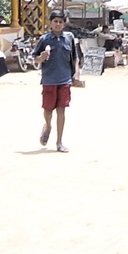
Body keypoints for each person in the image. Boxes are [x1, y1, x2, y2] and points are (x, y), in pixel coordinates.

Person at [33, 11, 80, 152]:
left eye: (60, 22)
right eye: (55, 21)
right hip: (49, 80)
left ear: (64, 23)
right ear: (50, 23)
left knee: (61, 110)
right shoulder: (45, 39)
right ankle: (47, 126)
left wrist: (76, 73)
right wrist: (41, 57)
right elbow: (35, 58)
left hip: (65, 79)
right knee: (48, 110)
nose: (58, 24)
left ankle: (59, 142)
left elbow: (75, 57)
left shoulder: (69, 38)